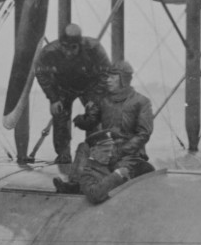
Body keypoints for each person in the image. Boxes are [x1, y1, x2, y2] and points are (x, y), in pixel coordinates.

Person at [54, 60, 154, 204]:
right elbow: (91, 121)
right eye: (107, 77)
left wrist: (121, 151)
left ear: (123, 79)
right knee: (84, 148)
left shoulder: (142, 102)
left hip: (130, 155)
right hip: (108, 150)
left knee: (120, 173)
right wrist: (81, 119)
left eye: (112, 77)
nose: (108, 80)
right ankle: (74, 184)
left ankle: (104, 188)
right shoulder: (104, 100)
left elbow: (144, 134)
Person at [35, 23, 112, 163]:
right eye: (65, 47)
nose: (69, 52)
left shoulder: (94, 48)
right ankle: (63, 155)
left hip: (90, 85)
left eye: (73, 48)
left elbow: (106, 72)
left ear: (80, 44)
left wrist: (95, 97)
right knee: (59, 115)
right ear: (60, 44)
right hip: (63, 87)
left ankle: (94, 155)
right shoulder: (49, 52)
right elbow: (40, 74)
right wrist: (53, 98)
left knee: (94, 115)